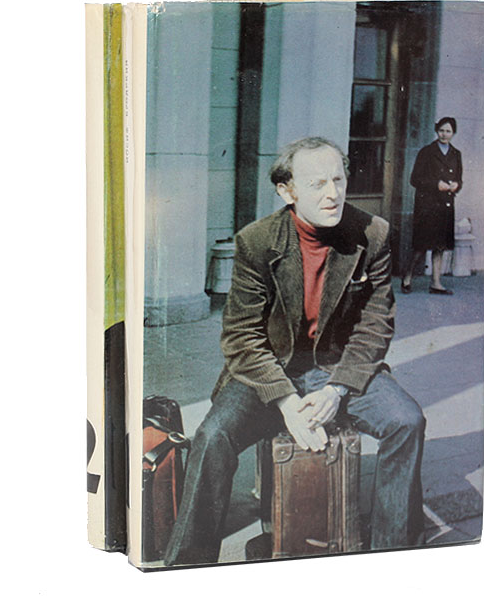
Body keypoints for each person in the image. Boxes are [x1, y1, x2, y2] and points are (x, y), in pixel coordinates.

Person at [164, 137, 426, 566]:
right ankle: (188, 564)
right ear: (288, 191)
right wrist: (286, 401)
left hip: (339, 368)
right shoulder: (257, 241)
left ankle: (394, 556)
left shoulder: (372, 234)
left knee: (407, 421)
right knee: (212, 437)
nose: (333, 193)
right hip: (269, 370)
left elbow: (376, 325)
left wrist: (337, 390)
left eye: (338, 180)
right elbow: (242, 337)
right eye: (318, 183)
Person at [402, 117, 463, 295]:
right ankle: (407, 277)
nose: (444, 134)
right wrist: (436, 184)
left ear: (453, 133)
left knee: (440, 246)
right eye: (441, 130)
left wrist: (456, 185)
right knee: (421, 246)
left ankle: (436, 282)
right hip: (428, 205)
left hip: (445, 205)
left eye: (448, 131)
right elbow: (415, 179)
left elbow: (459, 178)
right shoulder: (426, 152)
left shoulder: (456, 154)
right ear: (437, 131)